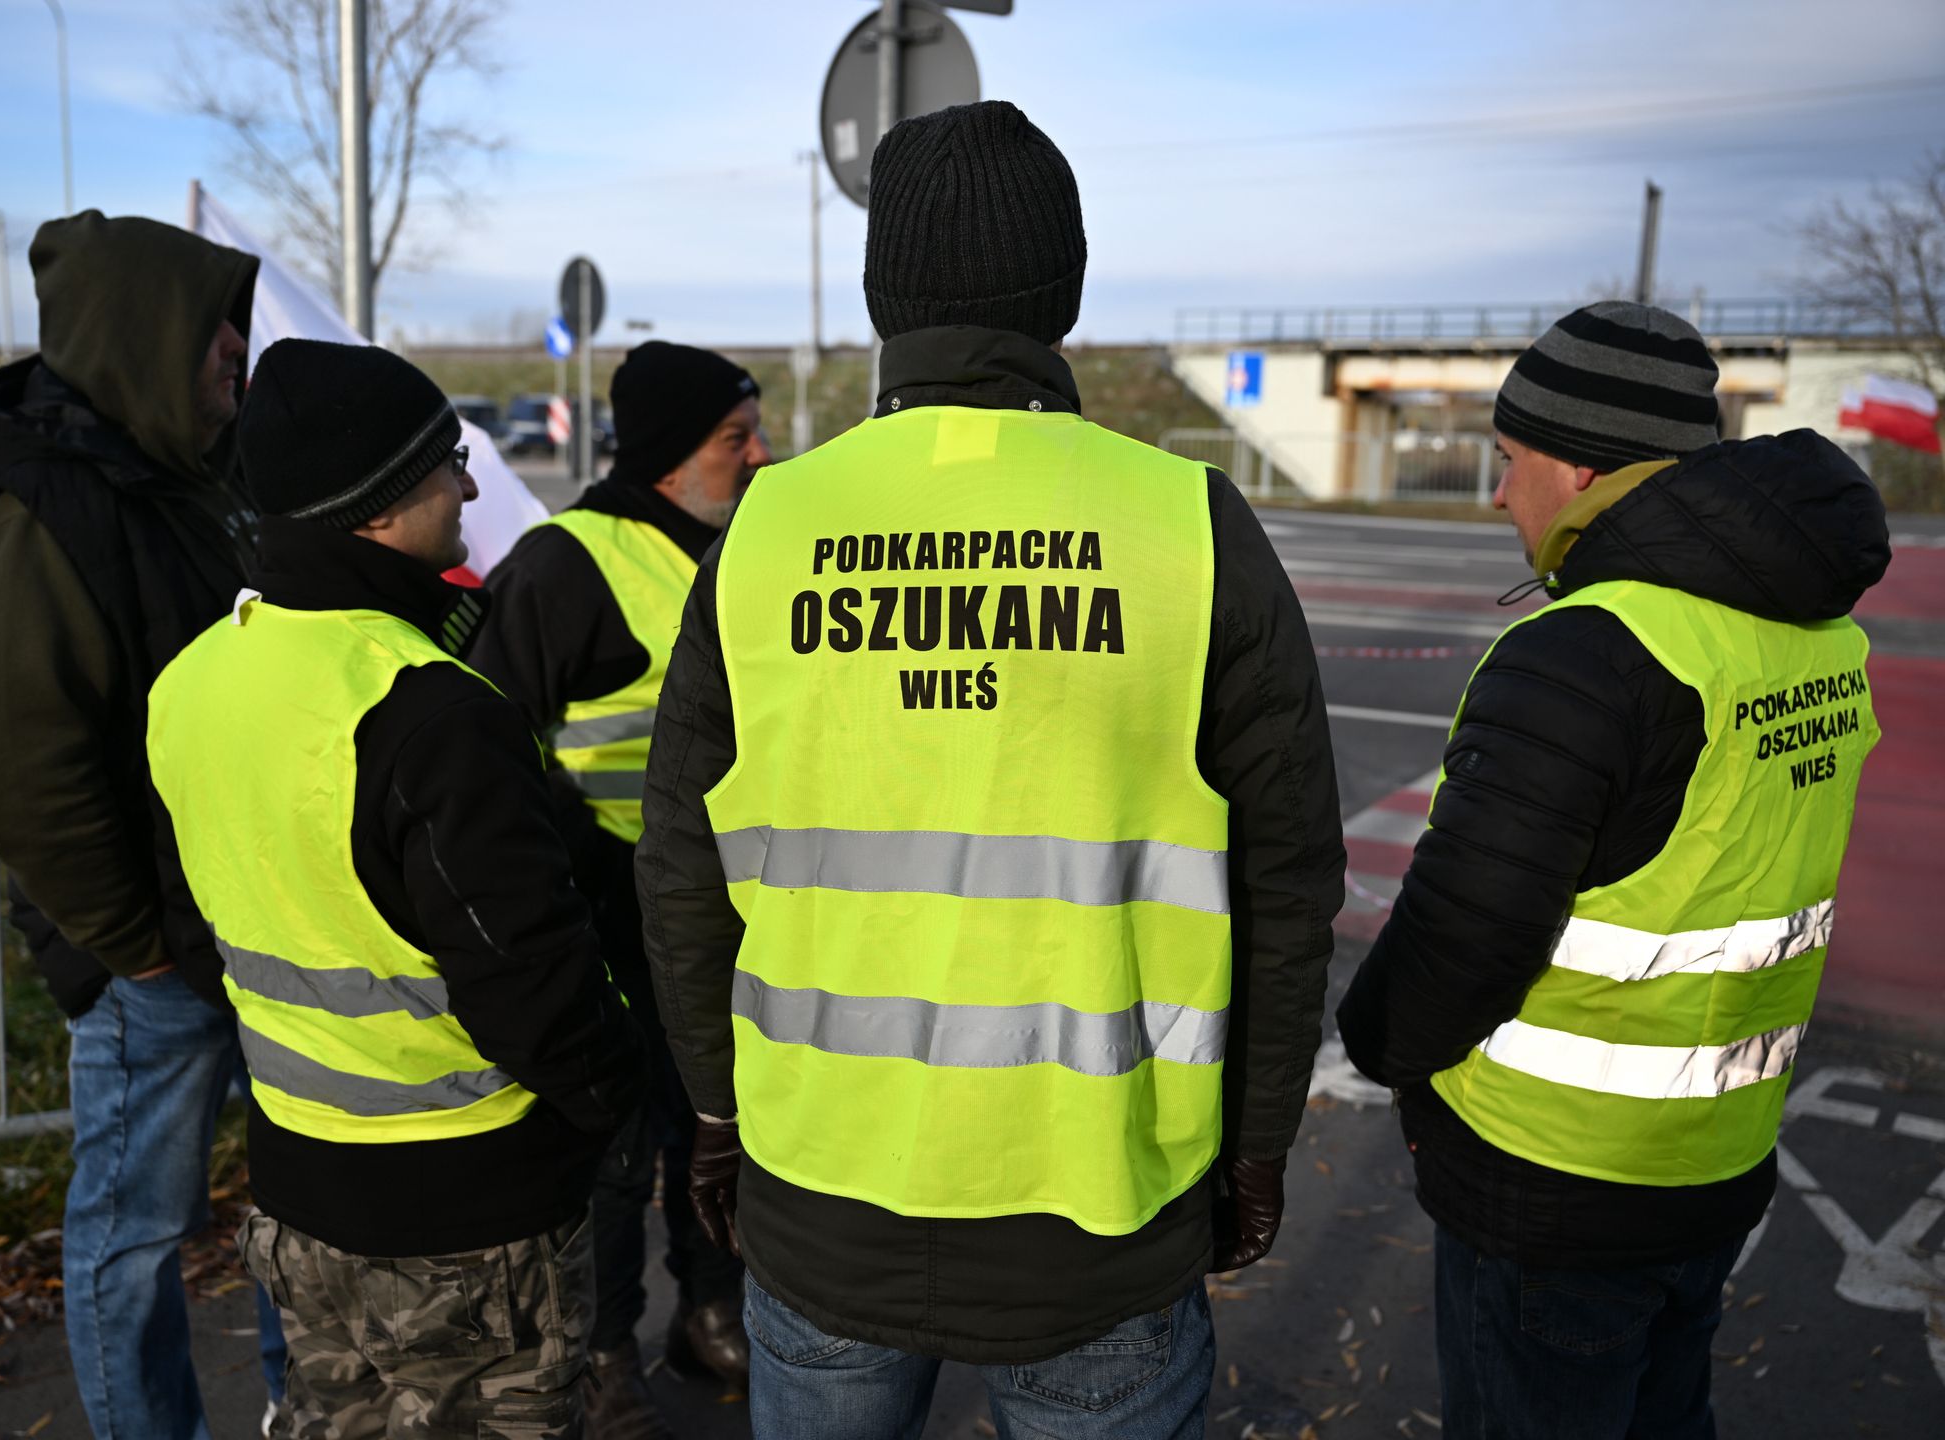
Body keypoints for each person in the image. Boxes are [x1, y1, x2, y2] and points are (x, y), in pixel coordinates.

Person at [634, 100, 1345, 1439]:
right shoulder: (1186, 527)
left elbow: (681, 870)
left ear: (876, 295)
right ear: (1064, 291)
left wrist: (717, 1117)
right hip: (1101, 1218)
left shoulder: (770, 528)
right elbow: (1289, 881)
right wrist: (1254, 1145)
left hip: (821, 1197)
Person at [1336, 302, 1892, 1439]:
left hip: (1553, 1182)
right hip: (1718, 1156)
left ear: (1578, 467)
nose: (1498, 495)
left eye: (1507, 462)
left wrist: (1378, 1050)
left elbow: (1466, 935)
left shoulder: (1587, 653)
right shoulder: (1815, 634)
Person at [147, 338, 646, 1439]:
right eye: (450, 462)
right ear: (377, 505)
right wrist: (626, 1107)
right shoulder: (430, 711)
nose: (471, 484)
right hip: (473, 1220)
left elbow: (194, 933)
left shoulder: (193, 681)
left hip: (297, 1198)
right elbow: (535, 990)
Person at [0, 210, 287, 1439]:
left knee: (292, 1211)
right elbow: (21, 773)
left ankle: (310, 1415)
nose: (237, 363)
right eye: (217, 341)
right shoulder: (37, 518)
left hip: (246, 927)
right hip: (158, 960)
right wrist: (131, 949)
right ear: (146, 340)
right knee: (134, 1236)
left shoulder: (193, 477)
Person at [471, 341, 766, 1436]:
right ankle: (603, 1356)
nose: (758, 453)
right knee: (613, 1158)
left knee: (714, 1131)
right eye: (735, 437)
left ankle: (709, 1312)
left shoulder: (744, 551)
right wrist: (587, 867)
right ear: (664, 455)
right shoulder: (567, 562)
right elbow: (495, 743)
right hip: (609, 917)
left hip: (725, 916)